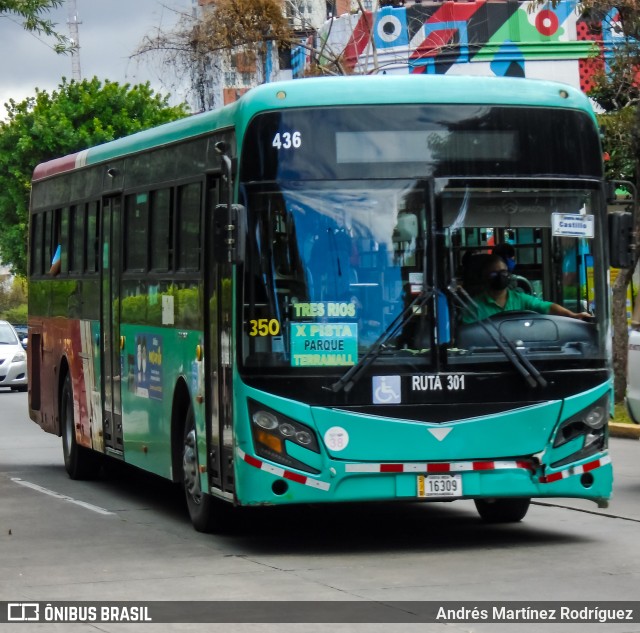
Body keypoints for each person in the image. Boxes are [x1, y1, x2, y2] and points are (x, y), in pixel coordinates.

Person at [462, 255, 591, 324]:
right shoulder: (474, 306)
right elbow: (467, 337)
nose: (500, 277)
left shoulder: (521, 299)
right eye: (494, 274)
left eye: (503, 272)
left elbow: (547, 307)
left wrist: (573, 315)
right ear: (484, 277)